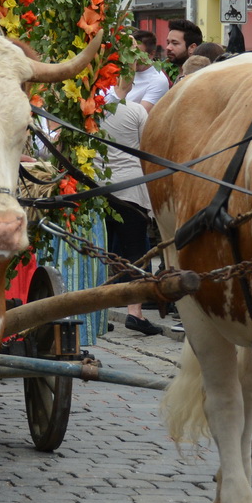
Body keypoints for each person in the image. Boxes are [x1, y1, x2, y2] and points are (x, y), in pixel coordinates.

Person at [101, 76, 159, 336]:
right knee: (135, 250)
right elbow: (147, 148)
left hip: (98, 188)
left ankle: (99, 311)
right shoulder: (136, 111)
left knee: (101, 251)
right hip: (130, 191)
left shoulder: (91, 111)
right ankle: (134, 312)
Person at [127, 29, 170, 106]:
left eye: (137, 53)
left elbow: (142, 114)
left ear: (151, 54)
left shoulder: (158, 81)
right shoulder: (122, 71)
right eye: (130, 52)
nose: (133, 58)